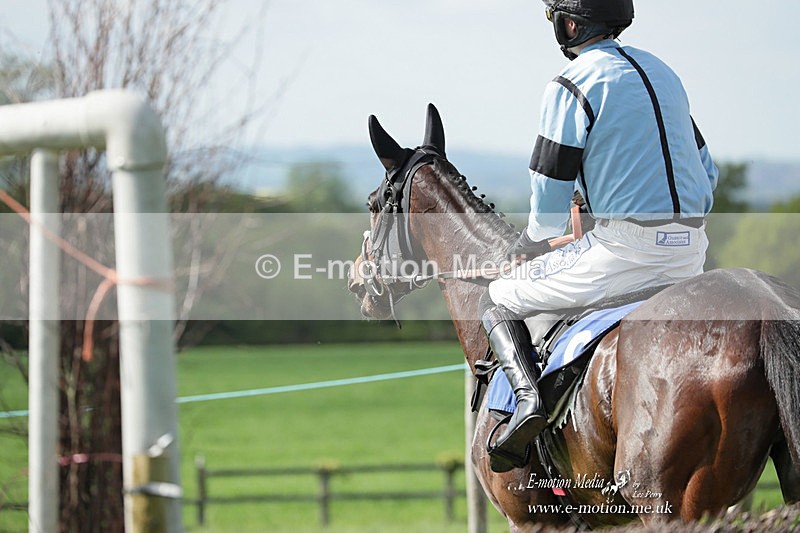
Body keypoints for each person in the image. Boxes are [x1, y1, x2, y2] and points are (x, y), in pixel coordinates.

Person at [481, 0, 718, 472]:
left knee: (499, 296)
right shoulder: (665, 73)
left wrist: (529, 244)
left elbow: (549, 194)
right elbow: (707, 173)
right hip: (693, 250)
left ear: (569, 23)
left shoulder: (571, 84)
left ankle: (528, 405)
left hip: (624, 252)